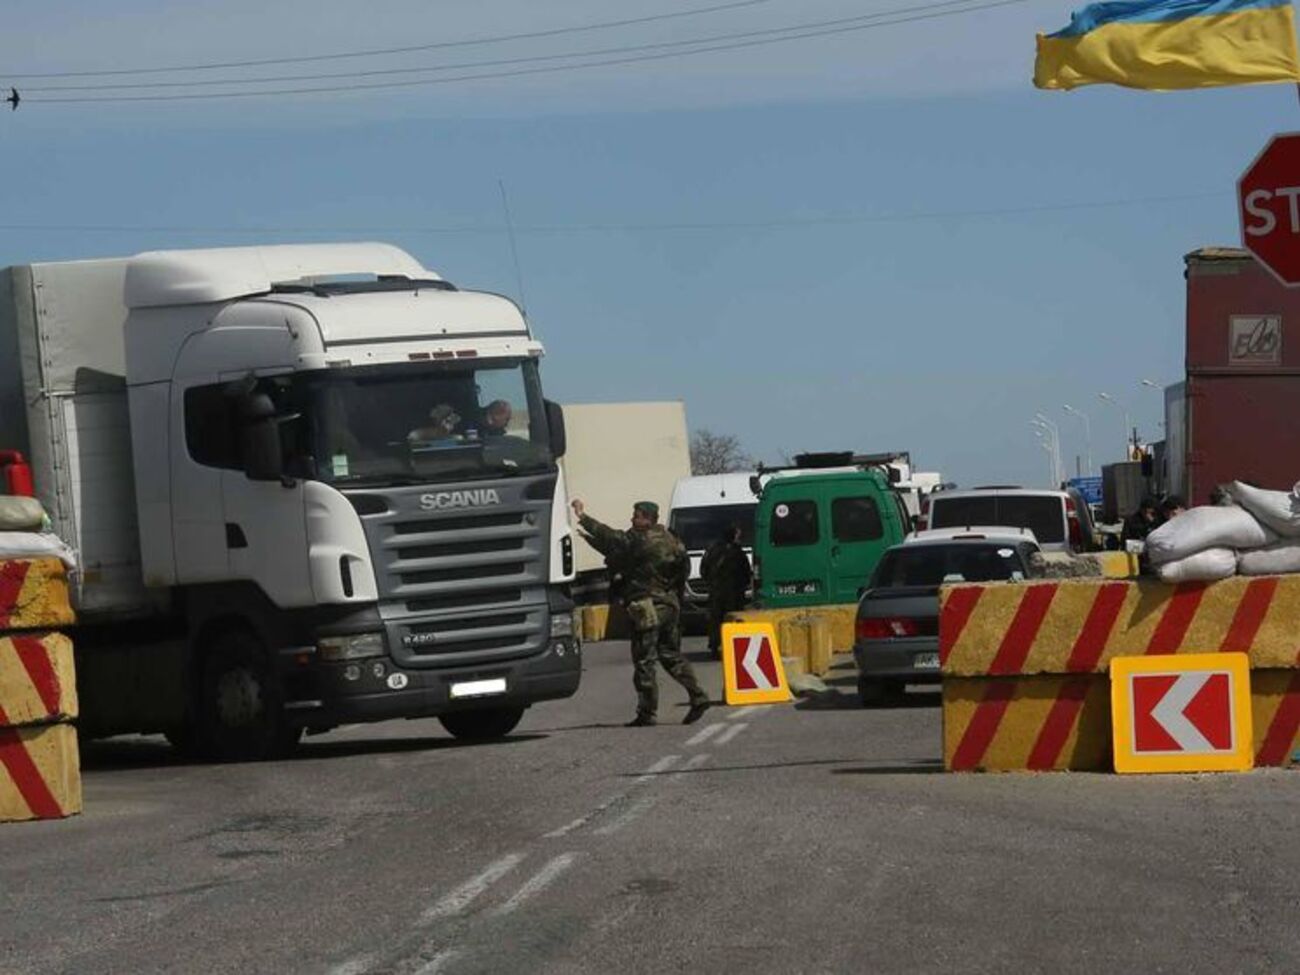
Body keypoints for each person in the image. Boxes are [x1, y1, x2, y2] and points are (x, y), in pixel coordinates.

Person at [572, 497, 710, 727]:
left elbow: (611, 539)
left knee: (644, 660)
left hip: (647, 607)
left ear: (646, 518)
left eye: (636, 515)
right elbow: (683, 570)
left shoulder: (638, 538)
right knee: (670, 655)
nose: (632, 518)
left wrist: (583, 517)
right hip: (670, 605)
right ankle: (698, 695)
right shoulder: (672, 539)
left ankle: (647, 713)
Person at [700, 523, 752, 656]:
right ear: (734, 536)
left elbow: (703, 570)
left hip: (716, 591)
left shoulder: (712, 550)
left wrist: (711, 583)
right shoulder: (737, 552)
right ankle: (734, 646)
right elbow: (746, 572)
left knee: (716, 619)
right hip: (734, 593)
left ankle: (715, 645)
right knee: (734, 618)